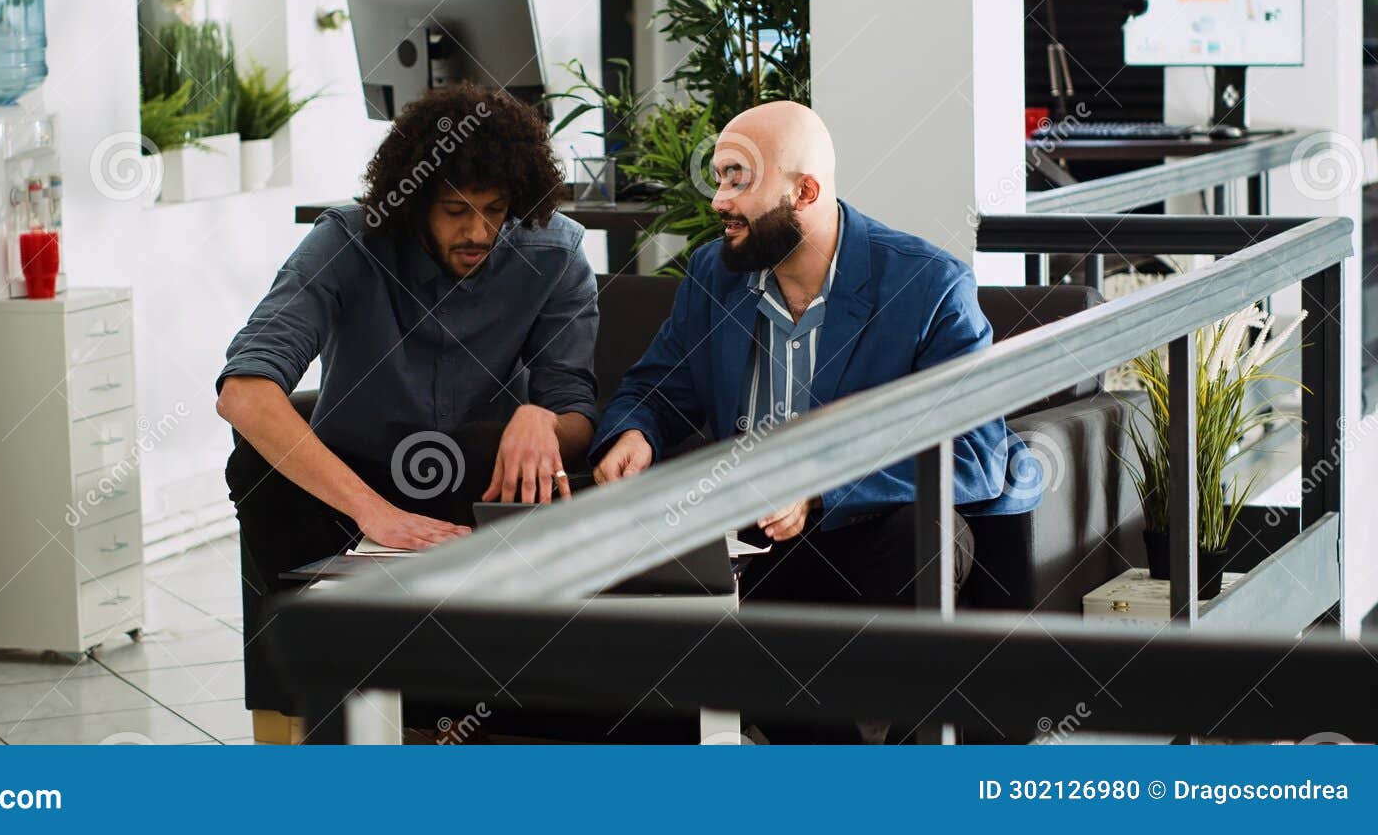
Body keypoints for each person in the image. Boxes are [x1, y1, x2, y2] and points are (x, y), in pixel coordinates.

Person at [217, 84, 599, 730]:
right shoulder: (347, 240)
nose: (477, 232)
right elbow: (243, 392)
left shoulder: (555, 252)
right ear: (415, 200)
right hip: (347, 495)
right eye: (455, 210)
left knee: (489, 445)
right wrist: (374, 513)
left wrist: (542, 418)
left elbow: (578, 416)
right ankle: (358, 686)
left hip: (471, 490)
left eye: (495, 210)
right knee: (255, 466)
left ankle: (423, 702)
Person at [591, 100, 1039, 613]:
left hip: (865, 535)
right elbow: (655, 390)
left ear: (804, 191)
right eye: (719, 178)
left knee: (924, 533)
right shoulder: (714, 274)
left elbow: (975, 456)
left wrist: (819, 489)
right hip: (743, 541)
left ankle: (883, 694)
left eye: (738, 181)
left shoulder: (929, 286)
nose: (718, 201)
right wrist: (634, 433)